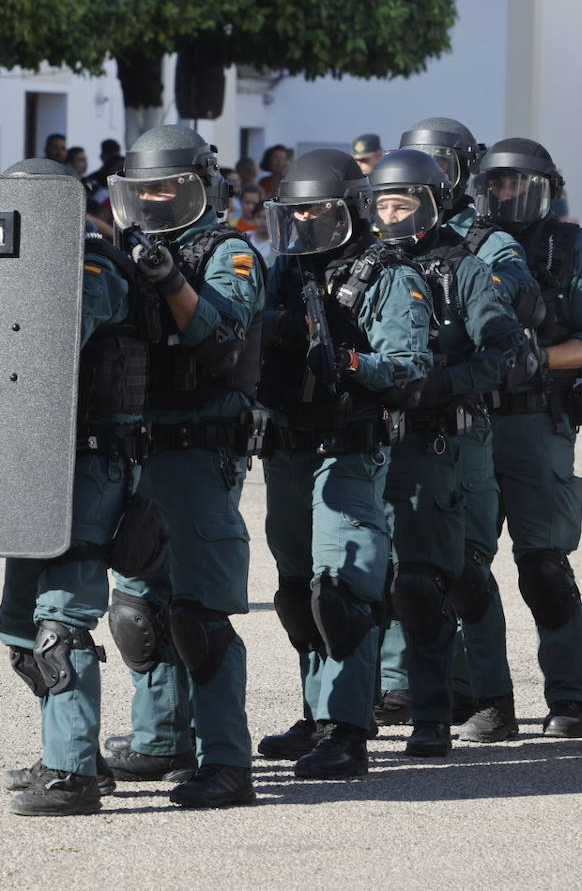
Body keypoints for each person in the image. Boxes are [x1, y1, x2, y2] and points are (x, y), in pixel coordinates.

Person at [101, 124, 265, 808]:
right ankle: (162, 739)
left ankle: (226, 760)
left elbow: (220, 336)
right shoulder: (126, 253)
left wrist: (169, 279)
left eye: (168, 188)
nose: (153, 201)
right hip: (138, 449)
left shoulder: (230, 252)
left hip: (200, 450)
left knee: (199, 615)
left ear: (201, 187)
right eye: (142, 191)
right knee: (139, 609)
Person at [253, 149, 429, 777]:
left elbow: (408, 366)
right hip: (286, 449)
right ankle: (315, 714)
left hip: (347, 449)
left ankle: (347, 728)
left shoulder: (388, 275)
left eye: (314, 210)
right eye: (294, 211)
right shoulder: (284, 270)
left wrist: (352, 363)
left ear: (350, 209)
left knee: (341, 592)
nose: (303, 220)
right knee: (296, 591)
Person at [366, 150, 540, 756]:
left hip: (454, 435)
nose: (392, 217)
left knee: (460, 572)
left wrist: (441, 382)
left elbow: (511, 356)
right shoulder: (367, 266)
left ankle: (492, 700)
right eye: (383, 205)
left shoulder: (464, 267)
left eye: (403, 204)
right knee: (386, 576)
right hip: (384, 440)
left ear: (433, 205)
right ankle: (395, 695)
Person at [0, 157, 151, 816]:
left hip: (93, 465)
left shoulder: (93, 268)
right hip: (38, 464)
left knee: (61, 620)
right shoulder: (24, 271)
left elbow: (55, 339)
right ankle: (75, 750)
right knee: (18, 627)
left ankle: (73, 776)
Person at [467, 137, 582, 737]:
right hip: (471, 419)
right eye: (495, 184)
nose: (505, 194)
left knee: (544, 568)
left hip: (537, 418)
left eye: (517, 184)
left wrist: (539, 360)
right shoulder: (465, 241)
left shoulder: (572, 245)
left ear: (547, 190)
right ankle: (490, 702)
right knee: (466, 568)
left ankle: (570, 700)